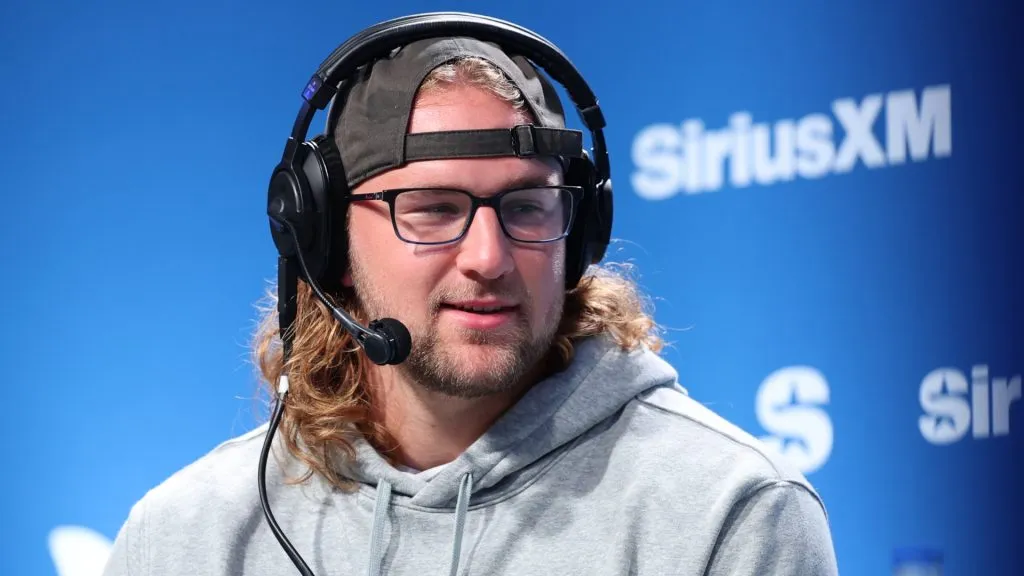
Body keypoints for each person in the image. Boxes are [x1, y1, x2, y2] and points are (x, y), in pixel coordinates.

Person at [102, 26, 839, 576]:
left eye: (526, 206)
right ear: (328, 244)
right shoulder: (184, 540)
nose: (488, 258)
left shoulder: (727, 515)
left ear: (580, 230)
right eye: (430, 208)